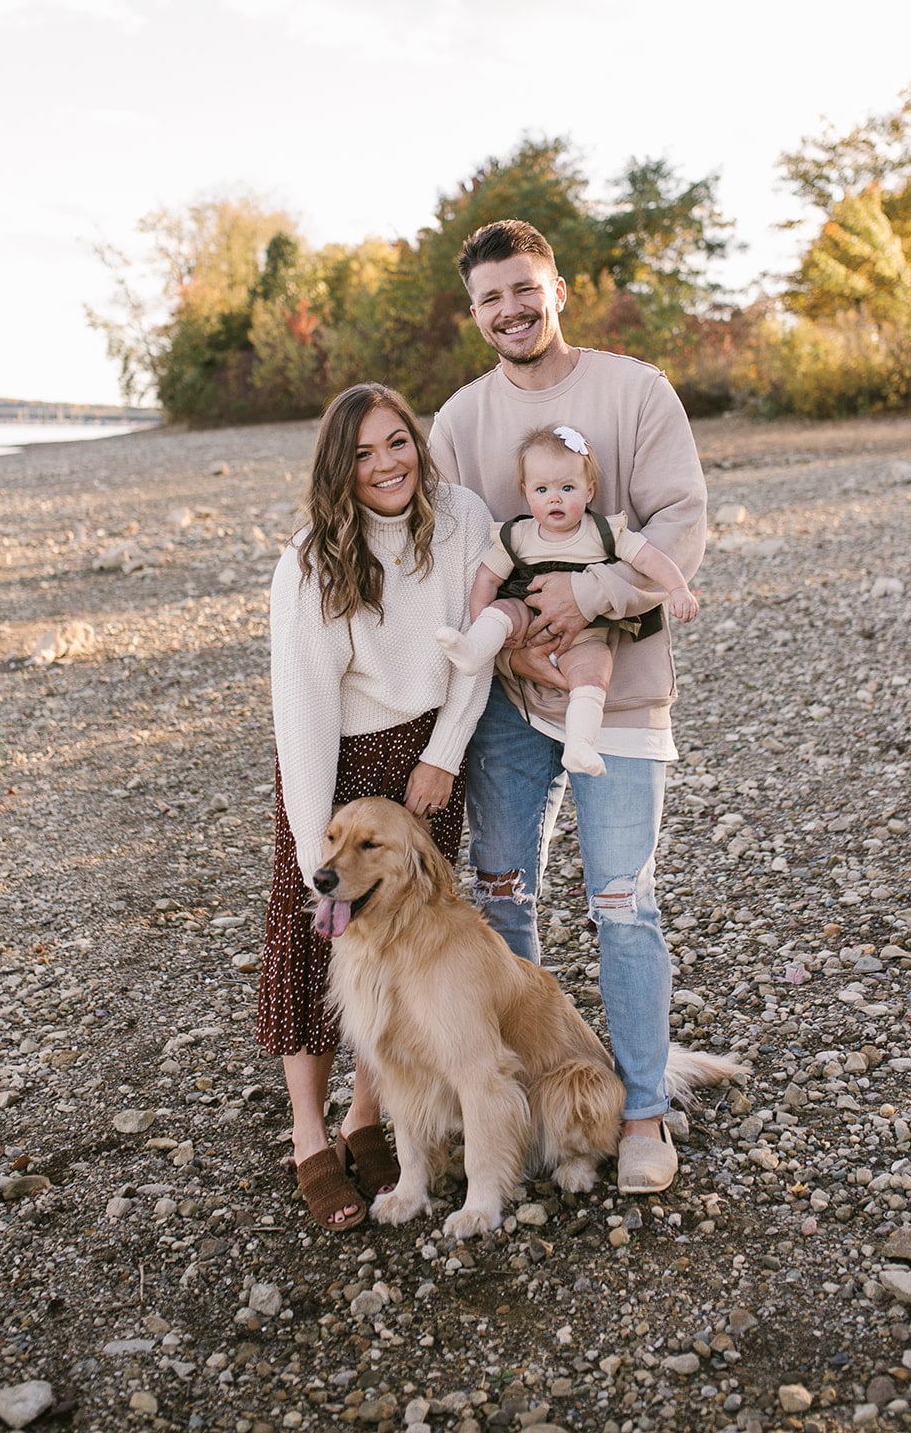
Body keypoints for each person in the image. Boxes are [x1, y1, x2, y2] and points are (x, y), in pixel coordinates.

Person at [429, 219, 707, 1194]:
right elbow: (449, 558)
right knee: (501, 899)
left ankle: (639, 1113)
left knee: (622, 903)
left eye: (522, 288)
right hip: (508, 701)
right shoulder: (458, 422)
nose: (508, 309)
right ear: (474, 313)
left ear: (559, 288)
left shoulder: (635, 392)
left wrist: (587, 598)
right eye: (487, 298)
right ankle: (531, 1097)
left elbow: (679, 519)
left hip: (616, 692)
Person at [257, 383, 492, 1230]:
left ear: (417, 444)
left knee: (404, 940)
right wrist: (316, 851)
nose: (386, 463)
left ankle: (368, 1115)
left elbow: (478, 652)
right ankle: (311, 1137)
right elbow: (305, 710)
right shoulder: (312, 560)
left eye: (397, 442)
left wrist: (441, 758)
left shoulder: (459, 516)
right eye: (362, 454)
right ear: (338, 469)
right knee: (312, 936)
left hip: (427, 757)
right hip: (338, 762)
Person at [436, 423, 698, 776]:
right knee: (503, 610)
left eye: (567, 487)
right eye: (542, 489)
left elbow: (650, 558)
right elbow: (487, 577)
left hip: (586, 632)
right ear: (526, 493)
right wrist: (480, 618)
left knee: (595, 669)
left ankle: (580, 744)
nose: (554, 498)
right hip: (526, 615)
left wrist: (678, 588)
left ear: (589, 492)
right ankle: (474, 650)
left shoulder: (603, 531)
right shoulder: (519, 535)